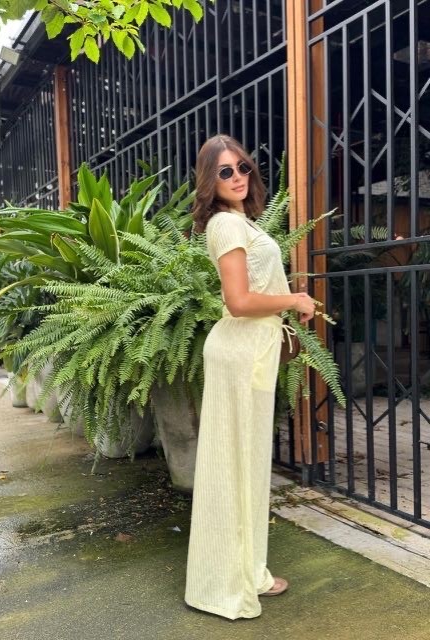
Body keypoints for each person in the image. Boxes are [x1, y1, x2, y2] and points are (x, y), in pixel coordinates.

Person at [184, 135, 315, 620]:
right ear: (209, 180)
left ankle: (249, 571)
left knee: (247, 468)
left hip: (250, 355)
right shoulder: (225, 224)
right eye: (225, 171)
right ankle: (228, 583)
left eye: (242, 167)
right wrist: (294, 299)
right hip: (239, 357)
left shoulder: (241, 222)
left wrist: (284, 303)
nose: (237, 176)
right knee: (235, 469)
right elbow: (238, 301)